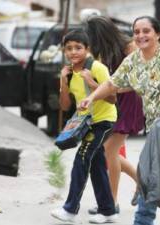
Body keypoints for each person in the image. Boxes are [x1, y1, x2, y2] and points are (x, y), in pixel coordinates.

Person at [78, 16, 160, 225]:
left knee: (149, 173)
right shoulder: (133, 61)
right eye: (137, 32)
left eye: (146, 31)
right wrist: (91, 97)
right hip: (155, 125)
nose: (141, 35)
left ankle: (143, 221)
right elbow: (112, 84)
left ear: (157, 33)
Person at [50, 30, 118, 224]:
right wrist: (63, 80)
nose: (73, 52)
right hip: (84, 123)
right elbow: (64, 106)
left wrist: (91, 82)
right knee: (96, 164)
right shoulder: (69, 72)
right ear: (64, 51)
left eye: (78, 48)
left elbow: (113, 98)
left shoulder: (97, 68)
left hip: (103, 121)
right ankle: (108, 211)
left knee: (82, 158)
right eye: (69, 48)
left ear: (87, 49)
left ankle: (70, 209)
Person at [83, 16, 144, 212]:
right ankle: (140, 183)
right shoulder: (107, 50)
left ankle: (111, 203)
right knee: (109, 152)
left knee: (108, 151)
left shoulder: (130, 47)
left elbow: (135, 82)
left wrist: (103, 87)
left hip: (128, 102)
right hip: (113, 101)